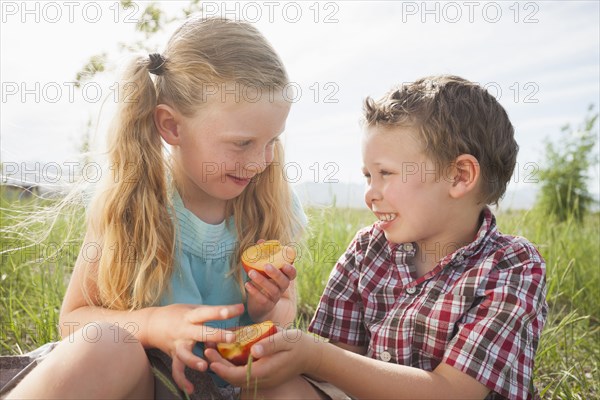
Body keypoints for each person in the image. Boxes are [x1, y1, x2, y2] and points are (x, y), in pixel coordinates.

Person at [6, 16, 307, 400]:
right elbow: (73, 320)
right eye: (243, 143)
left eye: (272, 141)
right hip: (147, 383)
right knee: (106, 346)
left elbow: (286, 309)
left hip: (234, 388)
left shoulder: (273, 202)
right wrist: (150, 324)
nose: (261, 161)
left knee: (290, 389)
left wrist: (266, 308)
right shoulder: (132, 200)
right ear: (172, 126)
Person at [206, 75, 548, 400]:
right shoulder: (367, 249)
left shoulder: (511, 265)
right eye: (368, 175)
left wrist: (317, 357)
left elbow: (453, 392)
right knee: (271, 391)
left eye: (385, 173)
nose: (370, 193)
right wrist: (281, 349)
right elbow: (338, 362)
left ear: (459, 176)